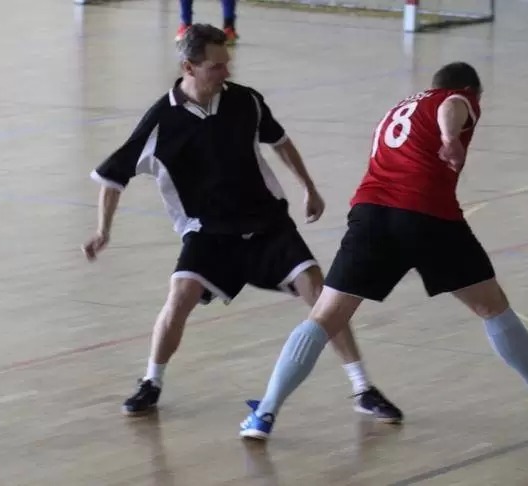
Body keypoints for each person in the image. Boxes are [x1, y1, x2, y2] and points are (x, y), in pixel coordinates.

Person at [239, 62, 528, 440]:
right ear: (472, 91)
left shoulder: (398, 109)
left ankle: (266, 412)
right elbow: (451, 106)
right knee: (492, 307)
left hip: (370, 214)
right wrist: (450, 137)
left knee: (324, 318)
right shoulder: (457, 97)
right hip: (427, 213)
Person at [82, 24, 402, 422]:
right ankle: (151, 382)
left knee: (320, 292)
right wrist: (103, 230)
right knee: (180, 296)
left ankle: (362, 388)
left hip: (267, 224)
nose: (227, 71)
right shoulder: (161, 121)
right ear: (189, 67)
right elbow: (113, 177)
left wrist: (308, 187)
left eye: (227, 62)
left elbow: (280, 142)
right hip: (208, 232)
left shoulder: (246, 100)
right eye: (217, 66)